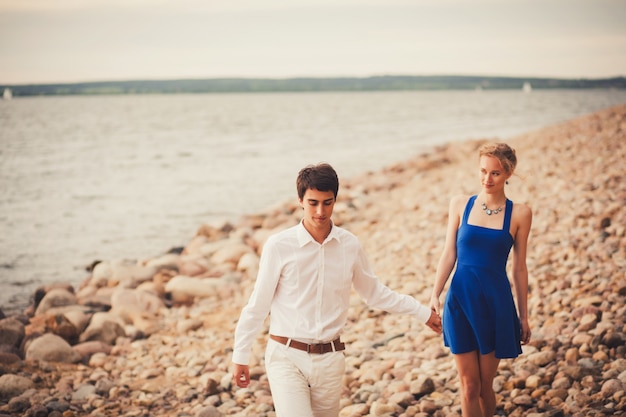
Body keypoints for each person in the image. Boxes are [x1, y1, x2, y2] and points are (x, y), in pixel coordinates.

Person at [232, 162, 442, 417]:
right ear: (300, 200)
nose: (320, 211)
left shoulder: (349, 245)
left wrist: (423, 313)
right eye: (313, 203)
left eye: (327, 202)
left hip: (330, 360)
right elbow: (258, 304)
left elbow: (375, 293)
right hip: (286, 356)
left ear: (335, 200)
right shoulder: (279, 245)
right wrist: (240, 355)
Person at [429, 142, 532, 417]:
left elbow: (519, 269)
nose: (487, 179)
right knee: (469, 386)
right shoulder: (460, 204)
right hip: (459, 301)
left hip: (495, 305)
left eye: (495, 173)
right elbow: (449, 253)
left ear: (509, 173)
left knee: (486, 385)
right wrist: (434, 295)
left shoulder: (520, 213)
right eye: (483, 171)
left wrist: (523, 317)